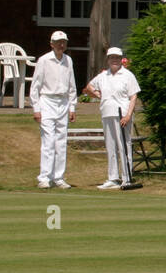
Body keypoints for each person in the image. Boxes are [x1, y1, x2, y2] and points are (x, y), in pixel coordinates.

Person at [83, 46, 140, 190]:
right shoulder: (103, 76)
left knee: (124, 145)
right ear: (108, 60)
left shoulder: (128, 75)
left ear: (121, 60)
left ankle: (127, 178)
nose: (114, 60)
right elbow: (89, 87)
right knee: (111, 146)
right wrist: (99, 95)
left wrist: (128, 115)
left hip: (122, 114)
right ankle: (113, 178)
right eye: (112, 57)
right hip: (107, 112)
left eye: (117, 58)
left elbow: (133, 96)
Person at [30, 30, 77, 189]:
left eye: (63, 42)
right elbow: (35, 86)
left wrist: (72, 106)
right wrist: (36, 108)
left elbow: (72, 86)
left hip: (63, 102)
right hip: (47, 101)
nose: (61, 45)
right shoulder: (43, 60)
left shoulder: (68, 60)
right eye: (58, 42)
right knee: (48, 141)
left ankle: (59, 177)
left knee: (61, 142)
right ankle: (44, 177)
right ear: (52, 44)